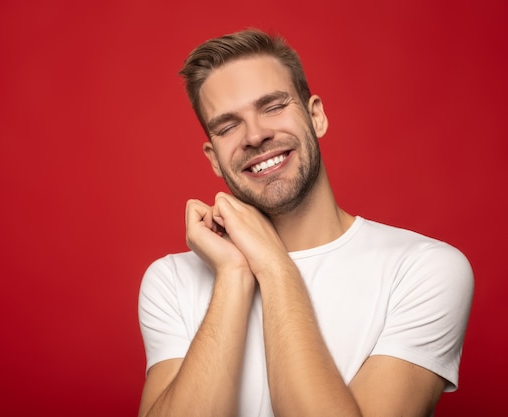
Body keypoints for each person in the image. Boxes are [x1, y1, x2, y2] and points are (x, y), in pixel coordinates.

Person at [137, 28, 474, 417]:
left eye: (273, 106)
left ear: (316, 116)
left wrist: (276, 267)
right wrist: (233, 273)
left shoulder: (424, 269)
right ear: (214, 158)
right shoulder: (171, 281)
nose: (256, 135)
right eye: (228, 126)